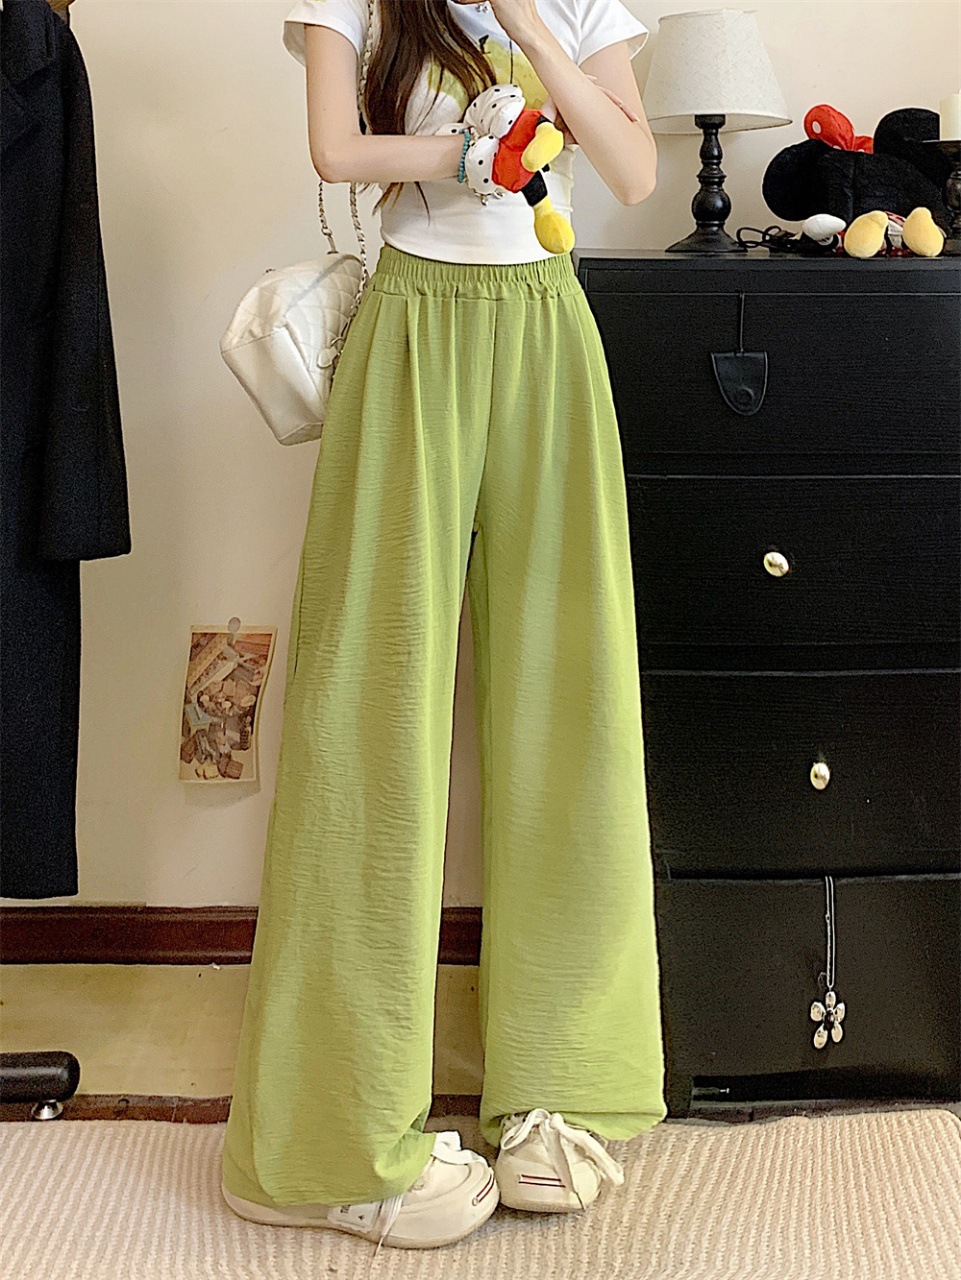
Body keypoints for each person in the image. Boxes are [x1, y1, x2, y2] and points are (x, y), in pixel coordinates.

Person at [220, 0, 666, 1252]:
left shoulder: (575, 4)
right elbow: (331, 148)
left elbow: (632, 168)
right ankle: (322, 1140)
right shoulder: (364, 5)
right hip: (411, 326)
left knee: (569, 703)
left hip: (547, 331)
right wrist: (461, 155)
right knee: (364, 718)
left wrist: (530, 20)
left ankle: (562, 1084)